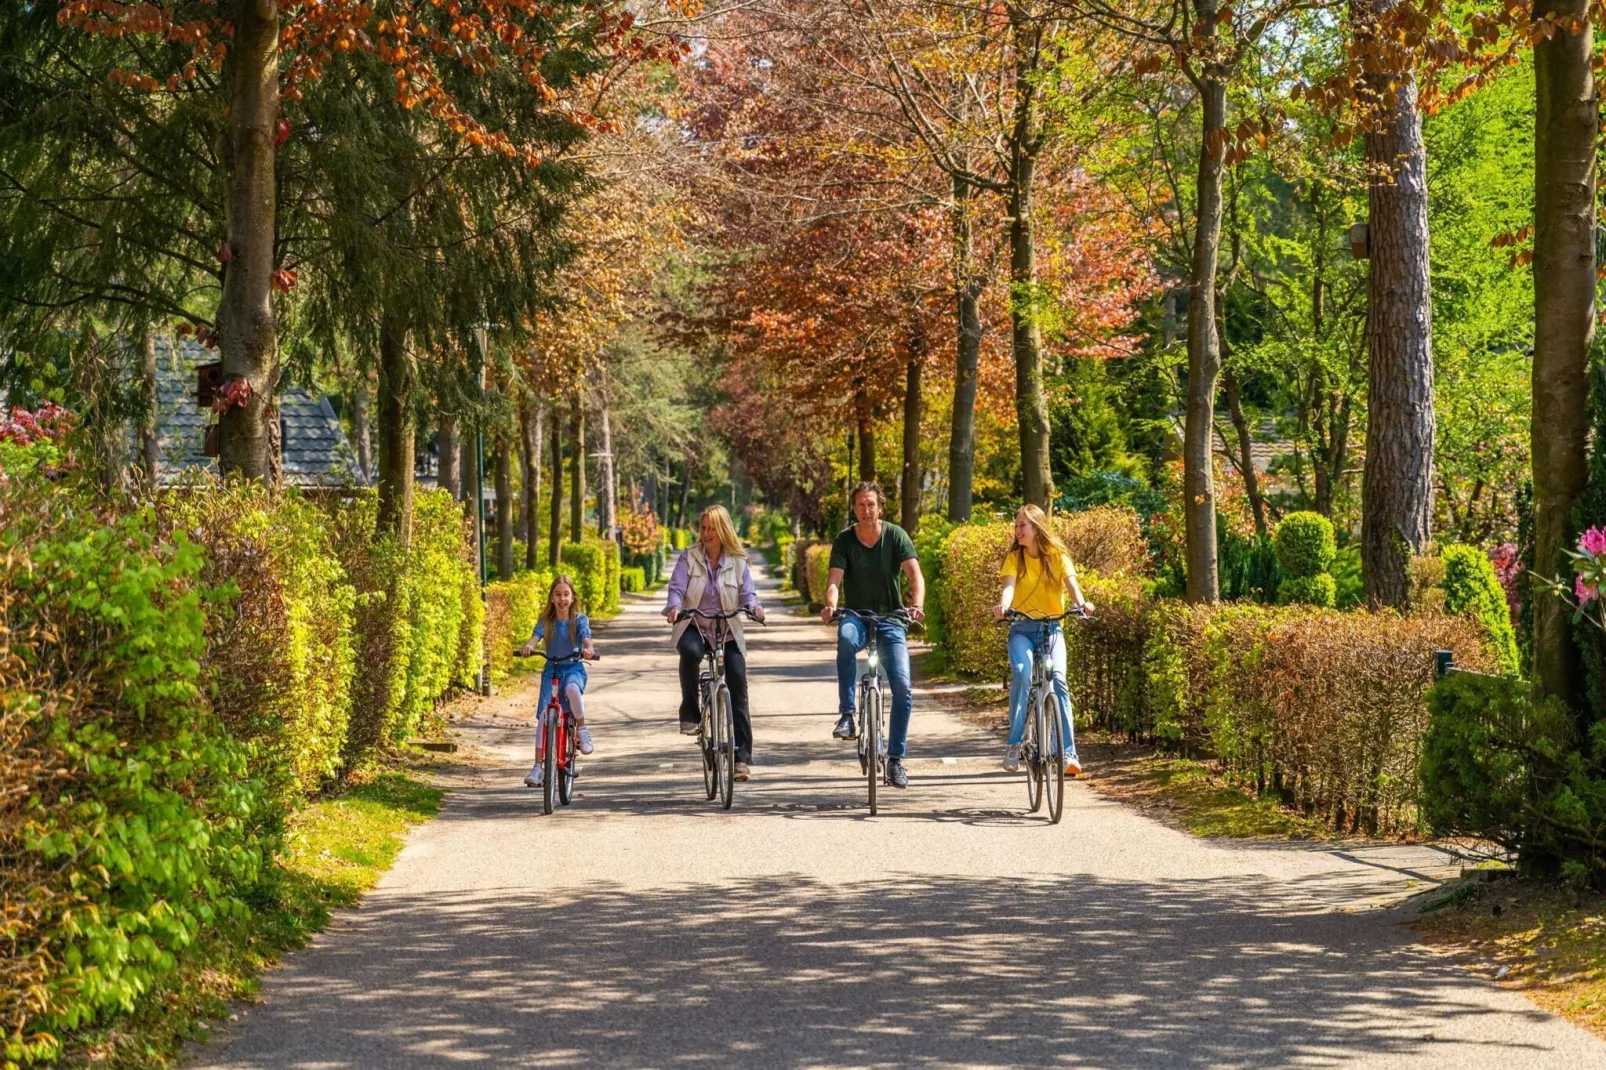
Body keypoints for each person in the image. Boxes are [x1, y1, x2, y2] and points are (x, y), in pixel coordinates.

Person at [821, 481, 925, 789]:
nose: (866, 510)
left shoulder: (895, 535)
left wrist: (916, 606)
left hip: (891, 618)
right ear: (854, 509)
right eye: (860, 505)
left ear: (880, 508)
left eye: (871, 504)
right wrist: (831, 606)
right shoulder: (844, 540)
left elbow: (915, 574)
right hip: (856, 615)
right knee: (844, 641)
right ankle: (847, 715)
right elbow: (834, 580)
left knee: (903, 688)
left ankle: (895, 761)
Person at [664, 504, 766, 781]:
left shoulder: (738, 561)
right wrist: (674, 607)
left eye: (712, 528)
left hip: (727, 628)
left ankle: (741, 759)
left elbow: (748, 593)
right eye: (704, 528)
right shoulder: (689, 557)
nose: (707, 533)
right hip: (695, 624)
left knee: (738, 684)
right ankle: (690, 711)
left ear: (723, 531)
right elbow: (677, 588)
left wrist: (754, 608)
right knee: (690, 650)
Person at [991, 504, 1094, 777]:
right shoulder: (1015, 558)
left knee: (1058, 678)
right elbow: (1009, 587)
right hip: (1022, 630)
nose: (1017, 530)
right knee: (1024, 675)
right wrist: (1003, 607)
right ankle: (1014, 745)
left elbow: (1072, 585)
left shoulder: (1057, 556)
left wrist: (1082, 604)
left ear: (1037, 528)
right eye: (1016, 525)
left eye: (1022, 525)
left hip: (1051, 630)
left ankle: (1068, 754)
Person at [519, 574, 597, 788]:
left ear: (572, 597)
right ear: (552, 598)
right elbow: (535, 638)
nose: (562, 599)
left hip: (573, 668)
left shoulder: (579, 620)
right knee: (545, 715)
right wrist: (528, 647)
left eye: (566, 594)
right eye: (558, 594)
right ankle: (537, 767)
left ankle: (582, 729)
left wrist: (588, 648)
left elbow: (586, 637)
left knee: (572, 689)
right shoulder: (546, 621)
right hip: (551, 670)